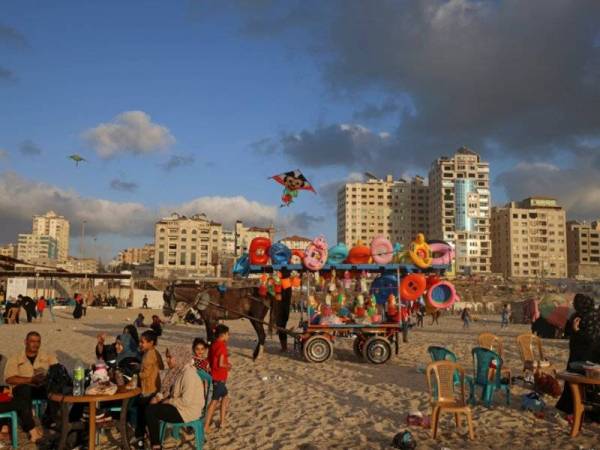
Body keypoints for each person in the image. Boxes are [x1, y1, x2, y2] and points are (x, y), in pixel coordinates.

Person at [145, 346, 205, 450]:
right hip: (179, 405)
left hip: (187, 411)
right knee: (146, 402)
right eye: (166, 357)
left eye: (170, 357)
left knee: (151, 410)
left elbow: (186, 401)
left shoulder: (188, 374)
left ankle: (156, 445)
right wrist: (159, 397)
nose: (167, 360)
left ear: (179, 357)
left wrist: (169, 401)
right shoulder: (177, 371)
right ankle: (144, 434)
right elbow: (168, 390)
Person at [556, 294, 600, 414]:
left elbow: (592, 338)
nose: (575, 306)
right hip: (576, 352)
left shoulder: (593, 317)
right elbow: (567, 331)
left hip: (588, 355)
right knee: (573, 380)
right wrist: (572, 328)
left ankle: (582, 409)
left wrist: (577, 330)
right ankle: (571, 407)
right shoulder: (578, 314)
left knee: (580, 380)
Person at [4, 331, 58, 428]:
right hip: (23, 389)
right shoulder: (15, 357)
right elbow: (9, 379)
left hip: (42, 387)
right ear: (25, 342)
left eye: (38, 342)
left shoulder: (48, 356)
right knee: (24, 390)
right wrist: (30, 380)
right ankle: (29, 426)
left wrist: (47, 377)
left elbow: (58, 373)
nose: (35, 344)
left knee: (56, 389)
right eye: (32, 341)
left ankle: (50, 419)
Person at [134, 330, 164, 449]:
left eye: (143, 342)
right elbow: (161, 366)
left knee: (139, 409)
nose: (140, 344)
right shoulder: (155, 352)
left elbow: (145, 374)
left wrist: (136, 374)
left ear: (151, 343)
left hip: (148, 389)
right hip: (155, 387)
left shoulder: (148, 356)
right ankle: (142, 433)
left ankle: (141, 435)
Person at [205, 324, 231, 432]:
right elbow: (220, 363)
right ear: (223, 334)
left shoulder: (214, 344)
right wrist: (228, 365)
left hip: (215, 376)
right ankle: (206, 425)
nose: (229, 336)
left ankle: (222, 421)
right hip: (219, 377)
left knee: (225, 397)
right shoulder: (222, 346)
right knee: (214, 401)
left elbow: (209, 360)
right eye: (228, 334)